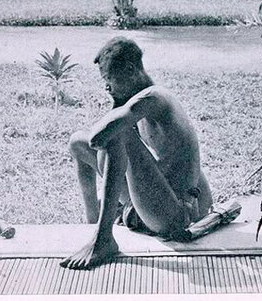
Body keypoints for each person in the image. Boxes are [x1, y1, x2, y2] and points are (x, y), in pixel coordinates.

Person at [63, 37, 213, 270]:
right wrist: (118, 105)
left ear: (131, 70)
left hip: (175, 215)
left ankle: (103, 239)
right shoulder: (136, 105)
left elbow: (100, 136)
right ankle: (93, 225)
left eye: (109, 80)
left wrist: (117, 108)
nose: (107, 88)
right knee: (77, 144)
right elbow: (92, 144)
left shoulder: (154, 98)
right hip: (154, 204)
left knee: (117, 134)